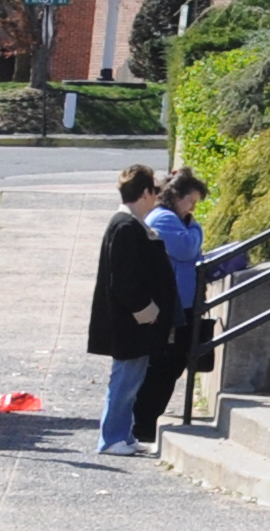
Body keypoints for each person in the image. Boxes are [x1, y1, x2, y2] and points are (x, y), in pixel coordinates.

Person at [87, 163, 174, 456]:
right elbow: (125, 279)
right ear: (146, 192)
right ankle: (111, 438)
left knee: (131, 380)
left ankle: (122, 434)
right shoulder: (126, 226)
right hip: (129, 322)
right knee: (124, 380)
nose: (156, 197)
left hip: (131, 321)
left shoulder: (129, 224)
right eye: (154, 192)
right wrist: (146, 311)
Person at [134, 169, 226, 446]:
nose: (193, 209)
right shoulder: (164, 219)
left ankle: (145, 420)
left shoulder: (176, 220)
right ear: (176, 197)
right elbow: (187, 249)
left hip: (181, 303)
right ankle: (143, 421)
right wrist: (196, 227)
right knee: (165, 363)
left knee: (172, 363)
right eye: (191, 202)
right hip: (171, 305)